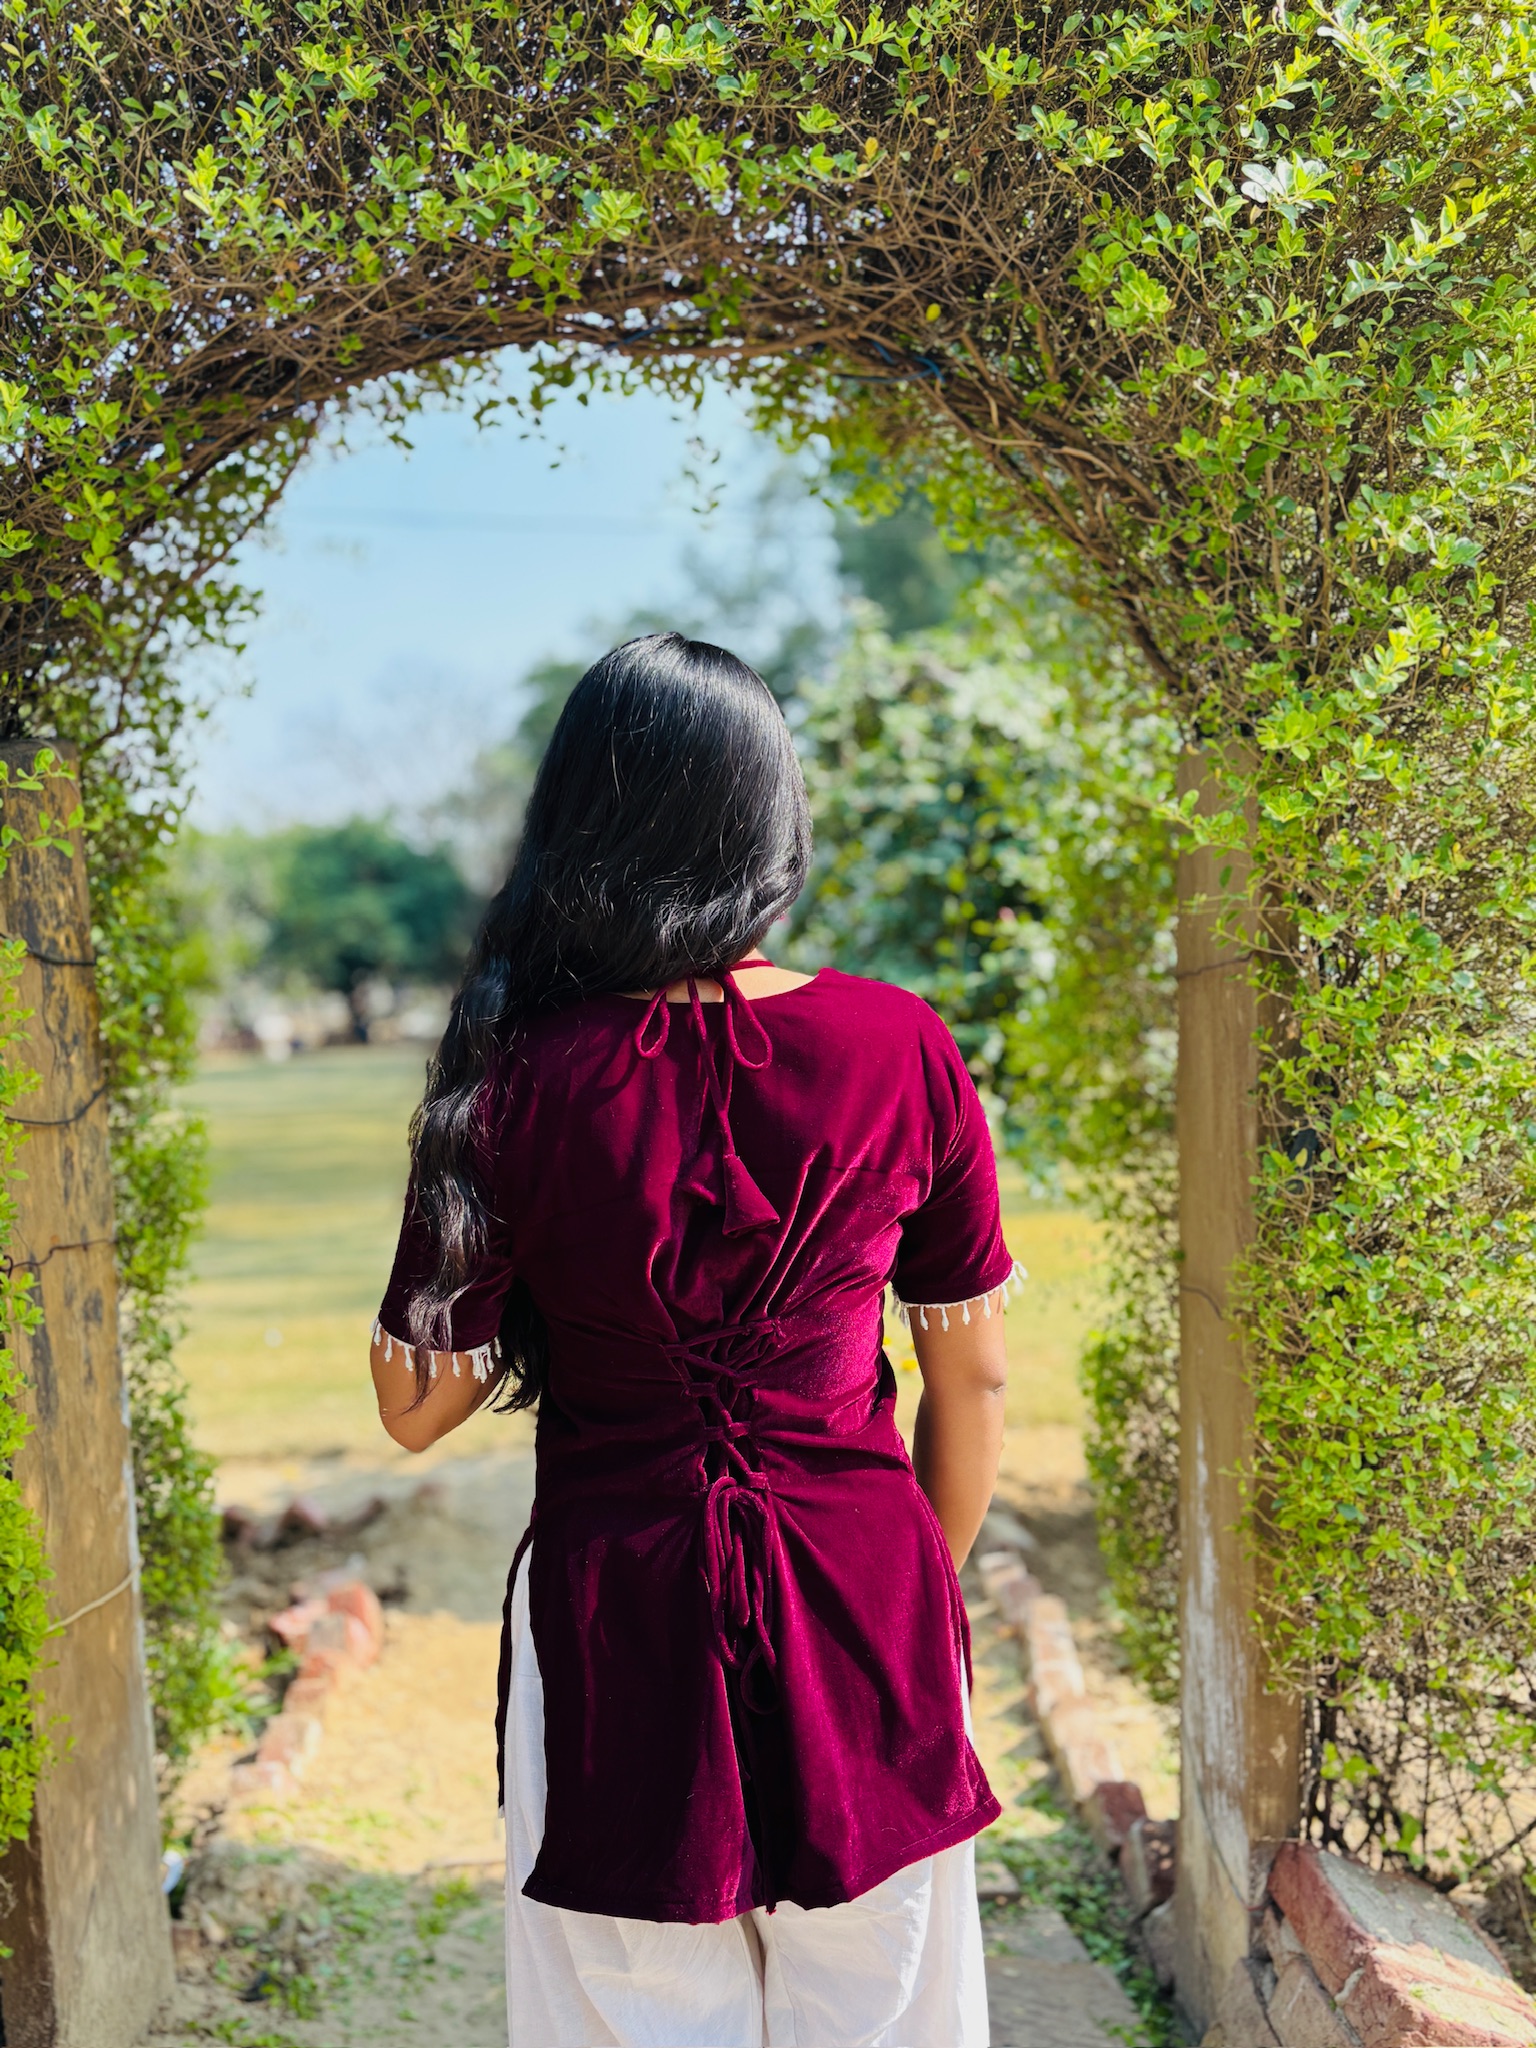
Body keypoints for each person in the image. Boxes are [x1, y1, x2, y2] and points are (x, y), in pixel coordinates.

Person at [370, 632, 1022, 2048]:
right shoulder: (902, 1045)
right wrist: (905, 1589)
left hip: (617, 1620)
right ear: (773, 821)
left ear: (574, 830)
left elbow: (415, 1406)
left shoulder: (519, 1077)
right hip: (867, 1599)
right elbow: (971, 1375)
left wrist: (465, 1118)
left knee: (640, 2017)